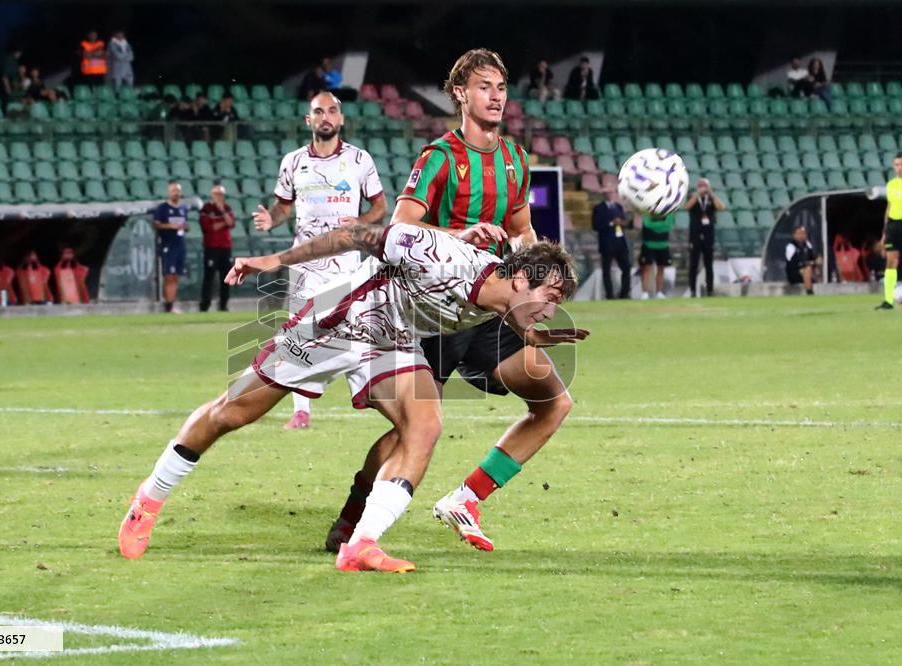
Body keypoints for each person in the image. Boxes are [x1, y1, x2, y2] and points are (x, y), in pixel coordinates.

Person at [117, 219, 586, 572]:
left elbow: (501, 309)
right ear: (521, 280)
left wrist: (529, 334)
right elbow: (352, 234)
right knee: (232, 412)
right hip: (338, 322)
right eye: (549, 298)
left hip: (393, 340)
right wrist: (275, 260)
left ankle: (361, 544)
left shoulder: (503, 297)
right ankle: (148, 501)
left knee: (424, 426)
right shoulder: (439, 256)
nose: (551, 311)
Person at [324, 49, 576, 555]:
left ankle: (466, 499)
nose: (496, 96)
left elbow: (522, 230)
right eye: (484, 86)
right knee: (411, 432)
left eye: (501, 87)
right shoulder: (439, 157)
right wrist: (460, 235)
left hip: (489, 308)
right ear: (460, 93)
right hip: (432, 311)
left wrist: (536, 287)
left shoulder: (515, 159)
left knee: (554, 401)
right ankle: (353, 515)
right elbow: (402, 228)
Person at [253, 91, 387, 430]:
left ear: (341, 119)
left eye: (331, 111)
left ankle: (368, 395)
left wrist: (361, 222)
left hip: (346, 260)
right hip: (305, 265)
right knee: (300, 333)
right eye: (318, 111)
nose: (325, 117)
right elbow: (284, 206)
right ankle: (302, 411)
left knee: (354, 327)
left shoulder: (360, 160)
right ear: (308, 120)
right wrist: (271, 219)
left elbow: (380, 207)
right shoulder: (293, 161)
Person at [152, 181, 189, 313]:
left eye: (177, 191)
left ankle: (171, 304)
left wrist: (185, 227)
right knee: (169, 275)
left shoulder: (183, 208)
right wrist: (170, 226)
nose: (176, 193)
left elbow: (185, 224)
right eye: (173, 191)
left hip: (180, 245)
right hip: (168, 245)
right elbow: (156, 224)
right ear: (169, 192)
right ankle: (168, 305)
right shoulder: (162, 208)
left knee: (176, 275)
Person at [684, 178, 726, 297]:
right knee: (694, 263)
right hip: (695, 234)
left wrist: (711, 195)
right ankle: (692, 290)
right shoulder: (693, 197)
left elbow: (721, 207)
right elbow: (687, 207)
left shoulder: (711, 199)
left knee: (708, 263)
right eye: (701, 186)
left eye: (705, 186)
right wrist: (697, 194)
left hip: (708, 234)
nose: (703, 188)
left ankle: (710, 289)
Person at [199, 184, 235, 312]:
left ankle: (223, 305)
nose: (219, 197)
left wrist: (223, 212)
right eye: (217, 194)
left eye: (221, 194)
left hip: (225, 247)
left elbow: (231, 223)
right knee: (209, 277)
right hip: (211, 247)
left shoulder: (227, 208)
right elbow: (209, 227)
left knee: (226, 277)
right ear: (212, 195)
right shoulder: (206, 209)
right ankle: (205, 305)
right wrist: (224, 223)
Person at [592, 188, 631, 299]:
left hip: (620, 243)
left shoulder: (618, 207)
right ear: (604, 194)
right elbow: (596, 225)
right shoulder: (599, 208)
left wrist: (622, 223)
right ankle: (609, 294)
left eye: (611, 192)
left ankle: (624, 293)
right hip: (607, 244)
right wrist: (611, 223)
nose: (609, 194)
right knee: (606, 270)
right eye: (607, 192)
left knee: (626, 268)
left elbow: (624, 222)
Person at [876, 153, 902, 310]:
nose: (899, 167)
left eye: (901, 164)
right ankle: (888, 300)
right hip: (893, 226)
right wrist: (885, 231)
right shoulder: (891, 185)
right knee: (891, 261)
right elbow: (889, 207)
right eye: (897, 164)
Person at [639, 212, 674, 299]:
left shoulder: (668, 212)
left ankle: (659, 292)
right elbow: (647, 224)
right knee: (646, 269)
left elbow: (667, 225)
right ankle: (645, 293)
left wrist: (656, 226)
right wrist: (660, 225)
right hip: (648, 244)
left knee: (661, 269)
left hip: (663, 245)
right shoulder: (648, 211)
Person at [785, 226, 817, 294]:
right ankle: (809, 292)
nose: (801, 236)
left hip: (807, 270)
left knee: (814, 268)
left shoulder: (808, 245)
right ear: (794, 235)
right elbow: (791, 264)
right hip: (794, 274)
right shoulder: (791, 246)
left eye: (803, 233)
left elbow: (813, 259)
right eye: (799, 234)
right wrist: (804, 264)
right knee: (807, 270)